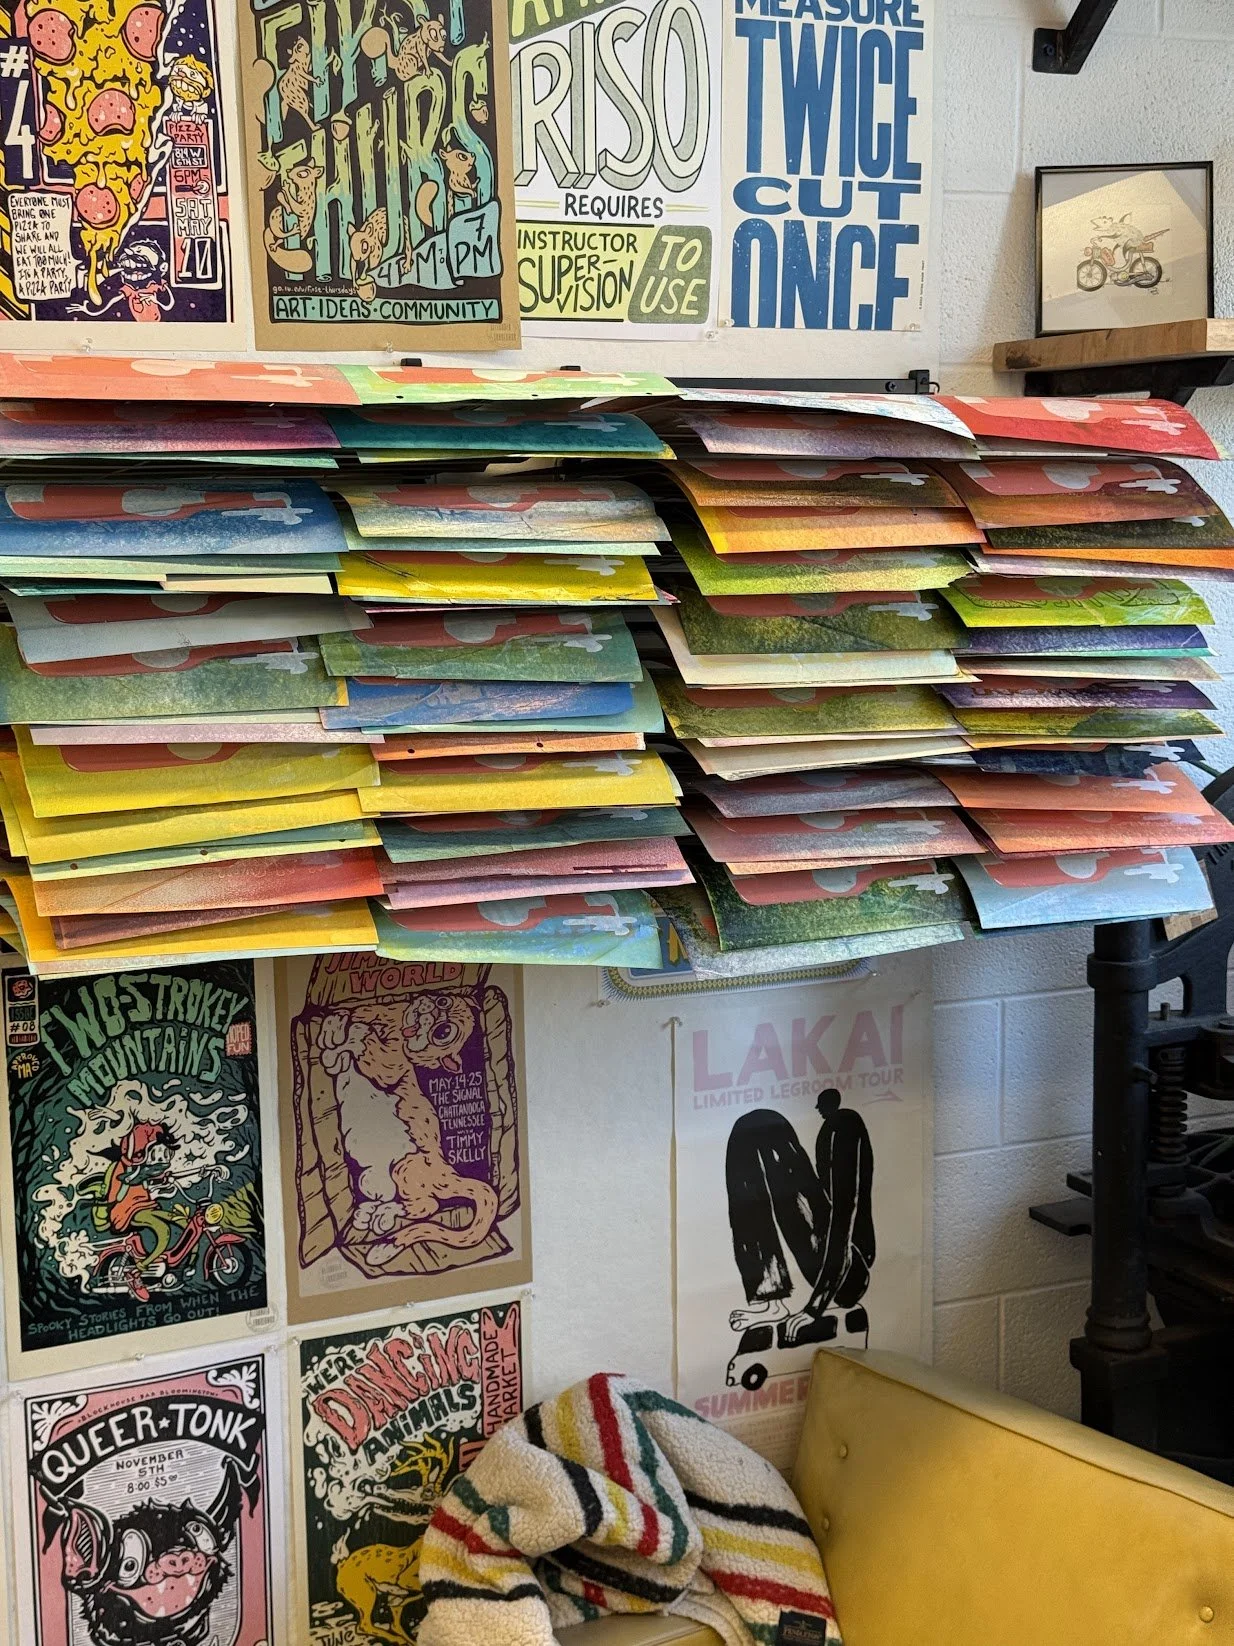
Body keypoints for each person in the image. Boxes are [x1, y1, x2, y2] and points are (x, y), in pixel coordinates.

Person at [725, 1088, 874, 1347]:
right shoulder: (830, 1130)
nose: (817, 1109)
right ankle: (772, 1298)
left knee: (759, 1126)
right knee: (752, 1128)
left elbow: (842, 1220)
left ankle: (771, 1294)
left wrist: (814, 1309)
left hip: (848, 1274)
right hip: (827, 1257)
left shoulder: (844, 1128)